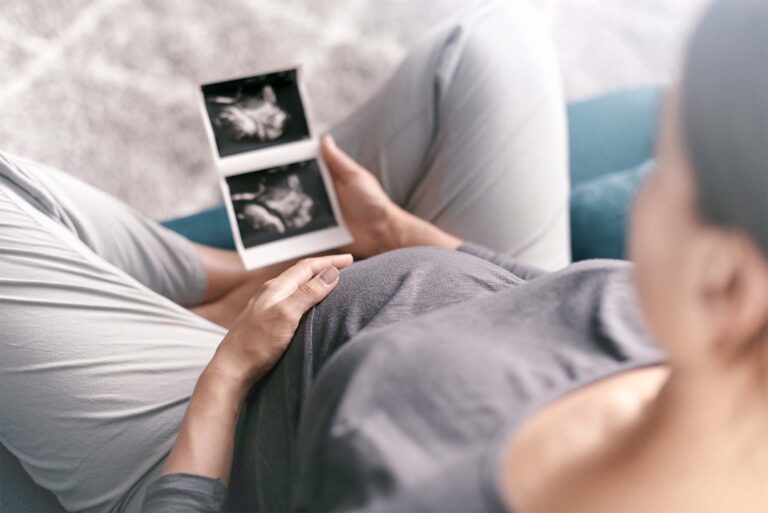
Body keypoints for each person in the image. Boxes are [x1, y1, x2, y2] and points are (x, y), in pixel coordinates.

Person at [0, 1, 765, 513]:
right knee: (489, 41)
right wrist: (396, 233)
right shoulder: (706, 348)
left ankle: (221, 294)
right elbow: (550, 296)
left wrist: (228, 374)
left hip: (242, 422)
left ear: (726, 283)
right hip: (437, 295)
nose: (644, 189)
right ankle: (247, 272)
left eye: (667, 169)